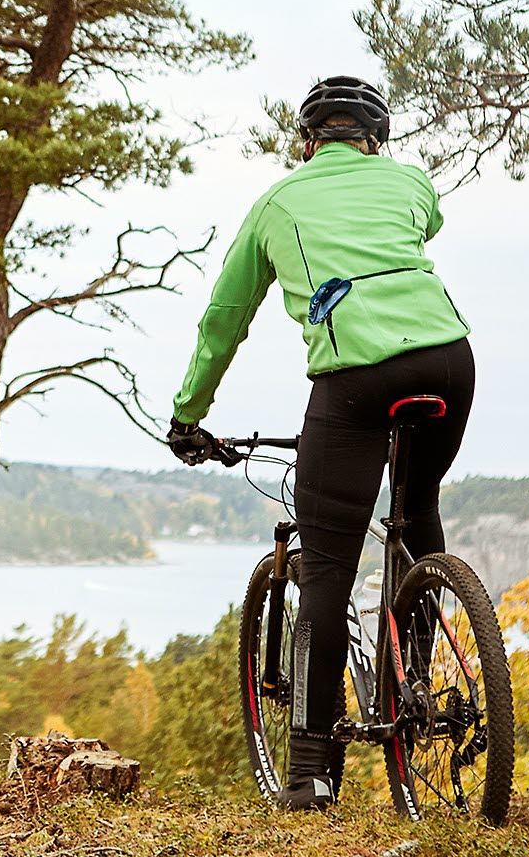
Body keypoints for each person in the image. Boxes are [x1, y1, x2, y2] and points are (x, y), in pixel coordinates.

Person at [167, 76, 474, 809]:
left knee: (330, 560)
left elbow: (225, 318)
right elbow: (426, 221)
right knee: (417, 503)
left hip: (355, 376)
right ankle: (420, 686)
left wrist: (189, 412)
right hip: (449, 360)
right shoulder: (408, 180)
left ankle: (308, 771)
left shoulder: (278, 201)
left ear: (307, 144)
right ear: (376, 139)